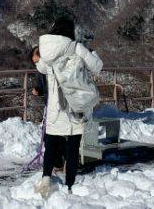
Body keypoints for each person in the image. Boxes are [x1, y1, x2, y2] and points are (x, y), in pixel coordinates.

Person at [33, 16, 103, 197]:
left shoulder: (46, 51)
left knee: (52, 147)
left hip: (56, 109)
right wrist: (91, 52)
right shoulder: (76, 47)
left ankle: (46, 179)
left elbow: (40, 68)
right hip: (75, 106)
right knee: (72, 149)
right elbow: (97, 66)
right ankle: (69, 185)